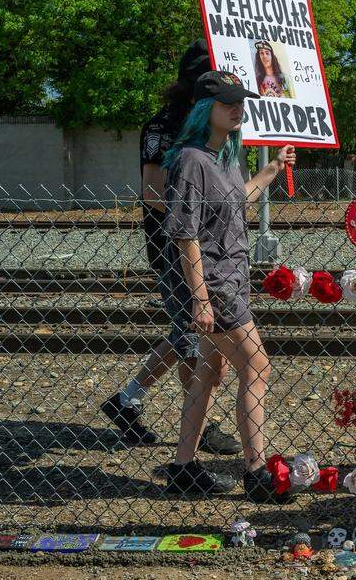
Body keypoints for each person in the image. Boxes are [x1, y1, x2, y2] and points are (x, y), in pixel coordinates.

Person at [162, 70, 297, 500]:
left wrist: (271, 172)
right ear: (205, 109)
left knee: (208, 371)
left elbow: (236, 199)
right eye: (227, 103)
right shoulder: (190, 160)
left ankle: (183, 467)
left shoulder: (222, 157)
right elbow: (185, 234)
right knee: (257, 366)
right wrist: (201, 299)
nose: (237, 109)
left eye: (239, 102)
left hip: (230, 281)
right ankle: (256, 472)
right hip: (215, 287)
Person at [101, 39, 240, 455]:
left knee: (186, 332)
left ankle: (127, 400)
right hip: (173, 246)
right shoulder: (163, 126)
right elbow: (151, 191)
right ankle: (203, 423)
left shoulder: (213, 128)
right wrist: (196, 207)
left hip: (211, 249)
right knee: (196, 340)